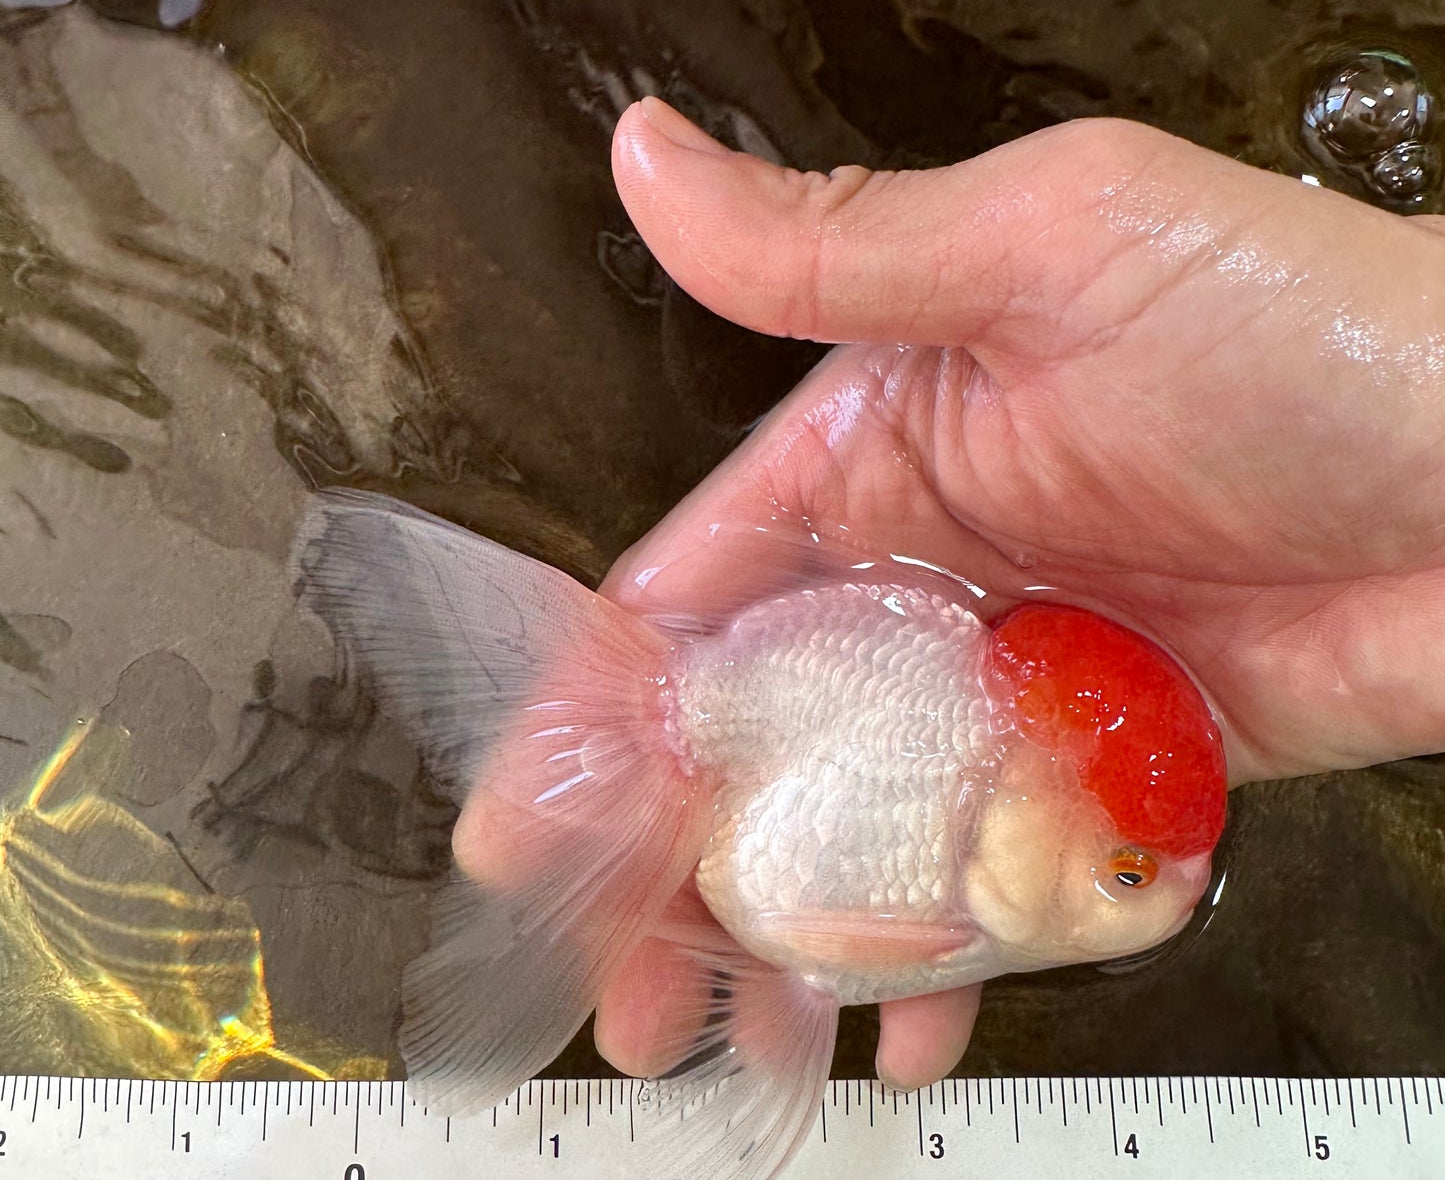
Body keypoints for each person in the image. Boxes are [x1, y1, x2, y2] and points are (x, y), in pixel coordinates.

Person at [465, 98, 1445, 1091]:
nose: (1165, 890)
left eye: (1131, 872)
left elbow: (822, 934)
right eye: (1126, 873)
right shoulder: (964, 787)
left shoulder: (995, 833)